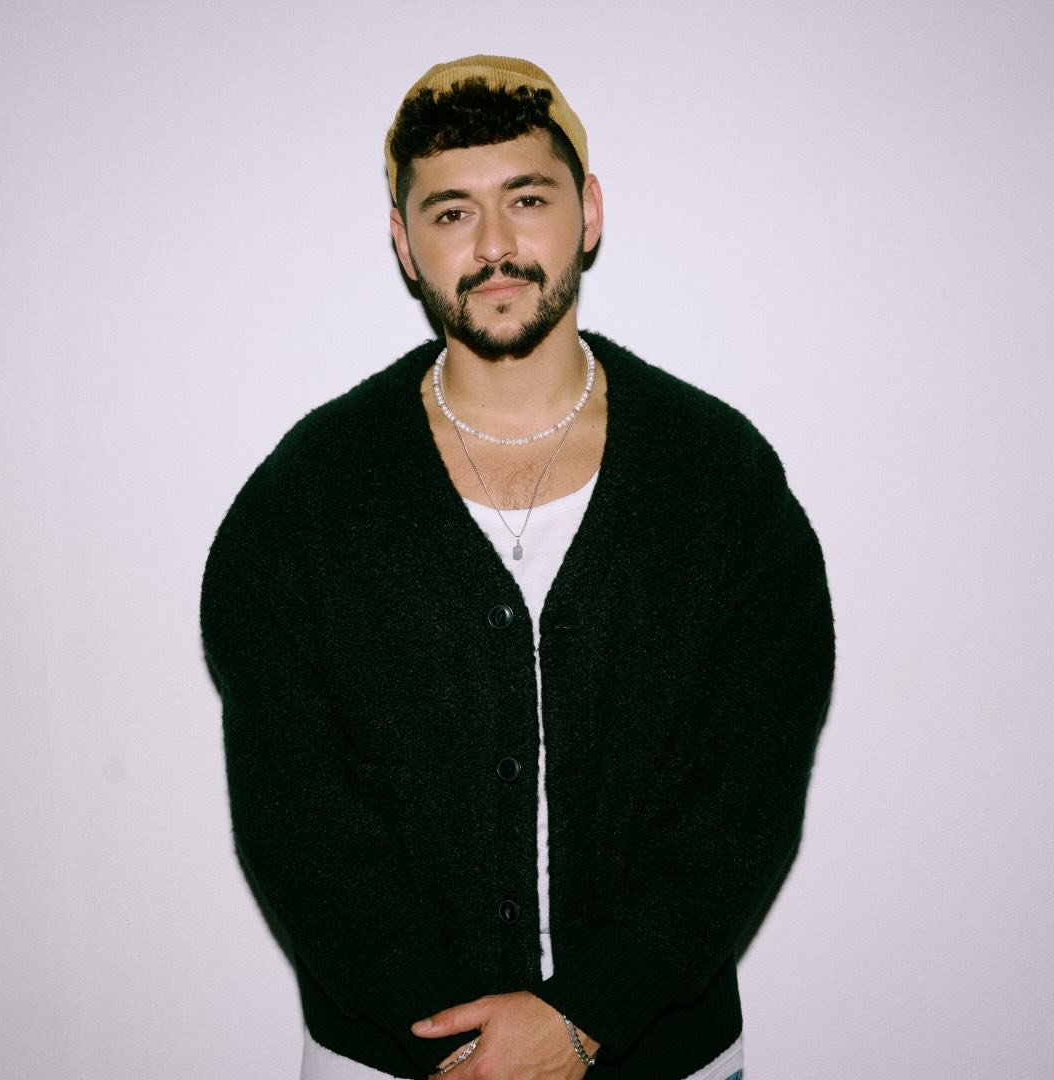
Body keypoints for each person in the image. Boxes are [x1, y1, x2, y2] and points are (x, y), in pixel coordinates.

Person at [201, 55, 834, 1080]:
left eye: (527, 199)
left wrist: (587, 1015)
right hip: (393, 1060)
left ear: (589, 212)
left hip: (662, 1051)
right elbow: (295, 816)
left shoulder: (719, 478)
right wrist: (458, 1044)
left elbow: (747, 795)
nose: (494, 245)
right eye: (451, 212)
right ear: (404, 242)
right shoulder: (308, 497)